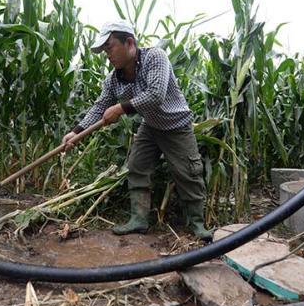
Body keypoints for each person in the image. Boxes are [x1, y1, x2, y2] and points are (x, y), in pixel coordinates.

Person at [62, 20, 212, 241]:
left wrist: (120, 108)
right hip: (151, 125)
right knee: (137, 166)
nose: (107, 55)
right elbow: (100, 106)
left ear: (129, 43)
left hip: (176, 125)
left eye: (110, 47)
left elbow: (156, 94)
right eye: (104, 50)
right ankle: (139, 220)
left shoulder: (155, 57)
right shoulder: (115, 78)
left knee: (188, 173)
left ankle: (197, 224)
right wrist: (77, 131)